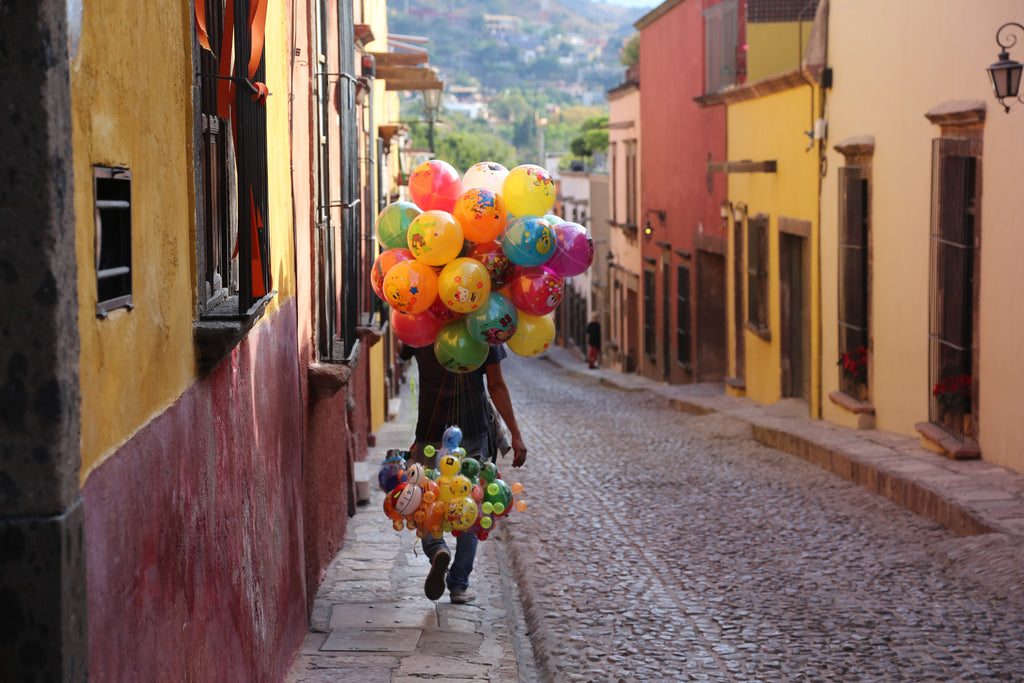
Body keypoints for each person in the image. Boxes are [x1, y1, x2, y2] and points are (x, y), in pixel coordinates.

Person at [399, 342, 527, 604]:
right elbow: (496, 385)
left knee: (427, 500)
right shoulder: (482, 327)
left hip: (429, 432)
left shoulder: (422, 324)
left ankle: (437, 550)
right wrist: (516, 434)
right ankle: (459, 584)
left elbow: (404, 354)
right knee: (471, 503)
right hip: (471, 432)